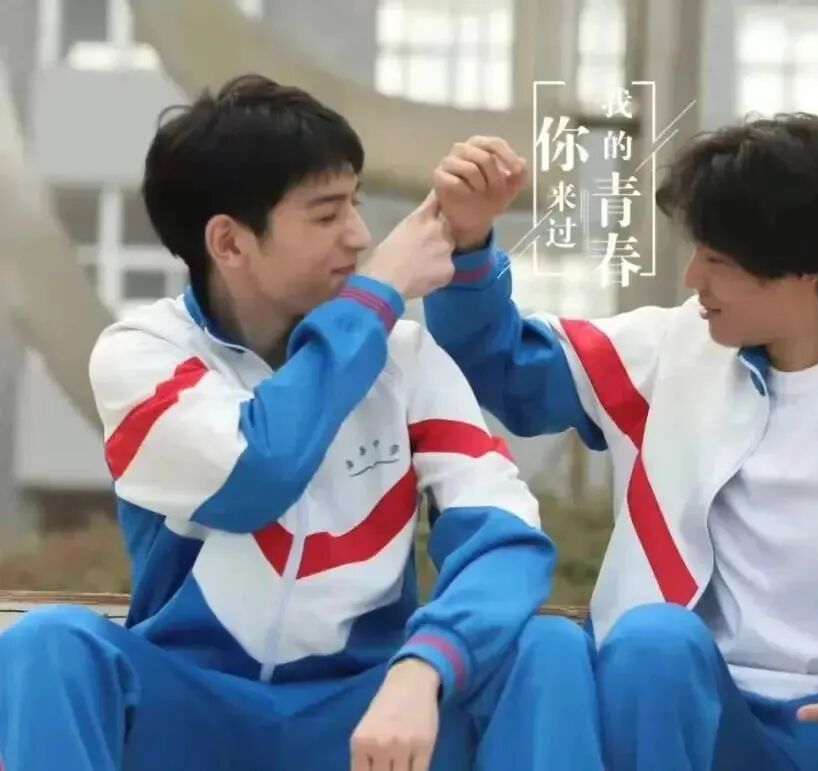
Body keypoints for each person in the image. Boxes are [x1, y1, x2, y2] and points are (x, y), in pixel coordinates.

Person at [423, 115, 818, 770]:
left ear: (806, 270)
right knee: (651, 641)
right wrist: (470, 240)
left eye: (717, 261)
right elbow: (502, 362)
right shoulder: (673, 353)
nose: (692, 278)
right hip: (720, 724)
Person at [0, 75, 603, 771]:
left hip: (365, 719)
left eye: (355, 204)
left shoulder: (404, 358)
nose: (362, 236)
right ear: (229, 243)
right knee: (47, 645)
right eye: (326, 215)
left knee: (545, 649)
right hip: (192, 715)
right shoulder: (143, 356)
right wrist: (377, 294)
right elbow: (257, 471)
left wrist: (424, 666)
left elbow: (505, 537)